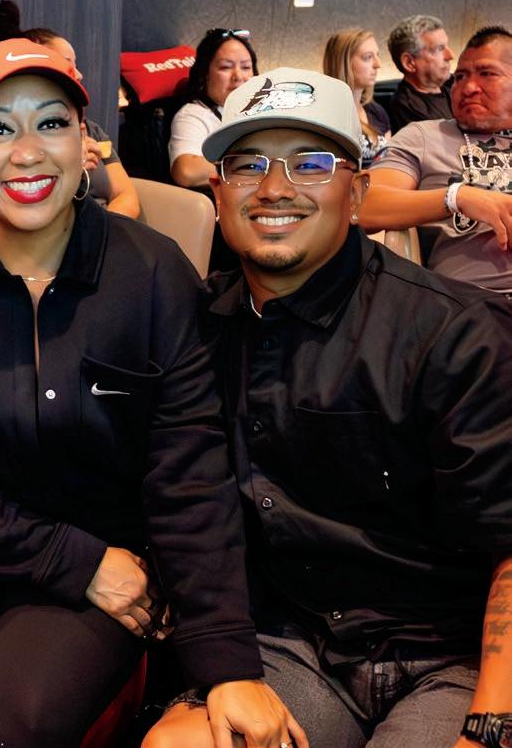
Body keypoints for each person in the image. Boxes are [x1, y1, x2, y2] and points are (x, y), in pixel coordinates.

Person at [0, 38, 298, 748]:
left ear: (85, 143)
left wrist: (225, 663)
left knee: (19, 727)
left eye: (52, 123)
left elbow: (190, 470)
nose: (28, 151)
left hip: (102, 539)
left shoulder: (154, 274)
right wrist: (71, 560)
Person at [143, 66, 512, 748]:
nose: (274, 188)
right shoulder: (197, 325)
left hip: (449, 655)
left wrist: (492, 726)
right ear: (218, 191)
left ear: (358, 191)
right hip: (293, 643)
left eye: (311, 163)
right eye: (248, 164)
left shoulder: (453, 332)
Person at [361, 26, 512, 292]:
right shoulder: (424, 136)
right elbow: (363, 205)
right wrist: (457, 198)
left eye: (487, 74)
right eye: (460, 76)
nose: (468, 87)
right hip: (476, 302)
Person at [0, 0, 141, 219]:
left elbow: (126, 196)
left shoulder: (92, 130)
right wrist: (70, 168)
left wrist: (101, 233)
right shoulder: (15, 143)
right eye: (67, 63)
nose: (78, 74)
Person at [169, 28, 258, 190]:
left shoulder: (260, 110)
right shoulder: (194, 114)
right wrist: (254, 166)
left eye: (246, 67)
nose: (238, 76)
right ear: (205, 74)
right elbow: (186, 171)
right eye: (226, 67)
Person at [323, 27, 391, 168]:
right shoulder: (327, 115)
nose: (377, 64)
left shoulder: (375, 110)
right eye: (368, 57)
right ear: (344, 63)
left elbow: (391, 159)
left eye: (377, 55)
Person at [385, 14, 456, 133]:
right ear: (409, 63)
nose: (450, 55)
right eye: (439, 49)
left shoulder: (456, 84)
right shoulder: (407, 106)